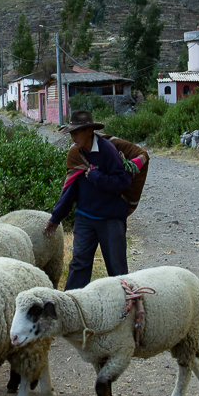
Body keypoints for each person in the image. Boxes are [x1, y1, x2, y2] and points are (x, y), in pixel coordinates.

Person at [43, 110, 137, 290]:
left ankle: (125, 303)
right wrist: (55, 218)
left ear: (89, 131)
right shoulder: (75, 154)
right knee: (79, 264)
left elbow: (123, 181)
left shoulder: (107, 150)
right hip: (85, 218)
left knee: (117, 269)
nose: (73, 137)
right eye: (71, 132)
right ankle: (71, 303)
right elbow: (70, 189)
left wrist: (96, 177)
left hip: (111, 219)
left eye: (76, 132)